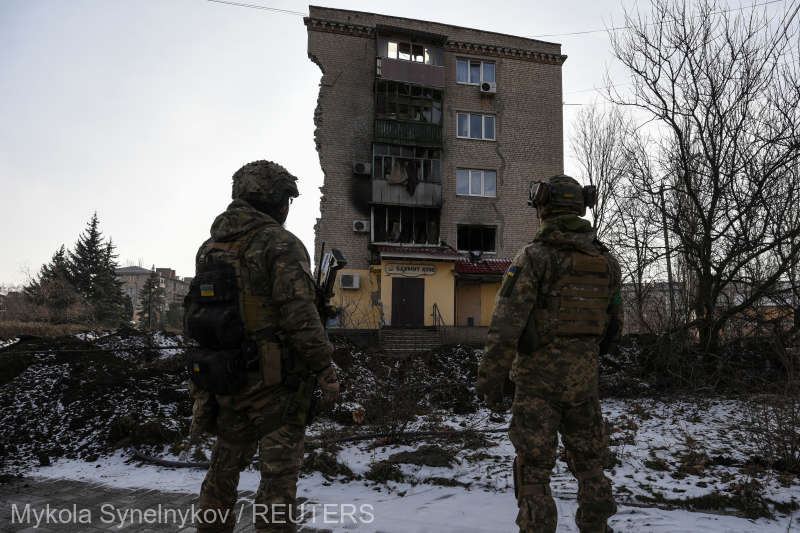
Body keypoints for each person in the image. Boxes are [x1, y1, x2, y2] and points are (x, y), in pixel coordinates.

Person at [185, 160, 339, 533]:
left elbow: (196, 316)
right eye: (286, 198)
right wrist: (325, 370)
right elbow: (300, 318)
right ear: (273, 200)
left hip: (226, 377)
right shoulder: (279, 244)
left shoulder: (210, 247)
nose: (287, 208)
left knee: (222, 470)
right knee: (277, 483)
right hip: (275, 386)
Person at [476, 174, 623, 533]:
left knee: (534, 471)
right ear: (580, 208)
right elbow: (614, 327)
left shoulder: (534, 258)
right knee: (590, 464)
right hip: (583, 387)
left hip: (537, 388)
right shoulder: (606, 262)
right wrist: (583, 359)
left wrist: (490, 381)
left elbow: (505, 327)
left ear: (544, 208)